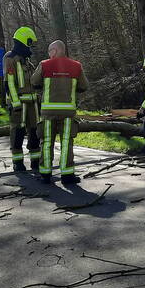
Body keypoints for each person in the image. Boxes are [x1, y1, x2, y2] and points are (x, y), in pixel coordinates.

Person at [31, 40, 89, 185]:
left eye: (50, 51)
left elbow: (34, 82)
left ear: (55, 50)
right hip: (68, 113)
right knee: (66, 143)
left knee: (46, 142)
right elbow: (84, 86)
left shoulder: (44, 65)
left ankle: (45, 174)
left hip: (48, 113)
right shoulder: (76, 66)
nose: (49, 54)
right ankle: (67, 176)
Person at [3, 26, 40, 172]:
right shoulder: (10, 58)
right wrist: (15, 104)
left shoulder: (27, 61)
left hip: (32, 104)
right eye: (30, 42)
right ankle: (18, 163)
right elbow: (9, 84)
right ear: (24, 41)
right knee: (17, 133)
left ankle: (35, 161)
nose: (31, 46)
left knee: (35, 133)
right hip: (19, 105)